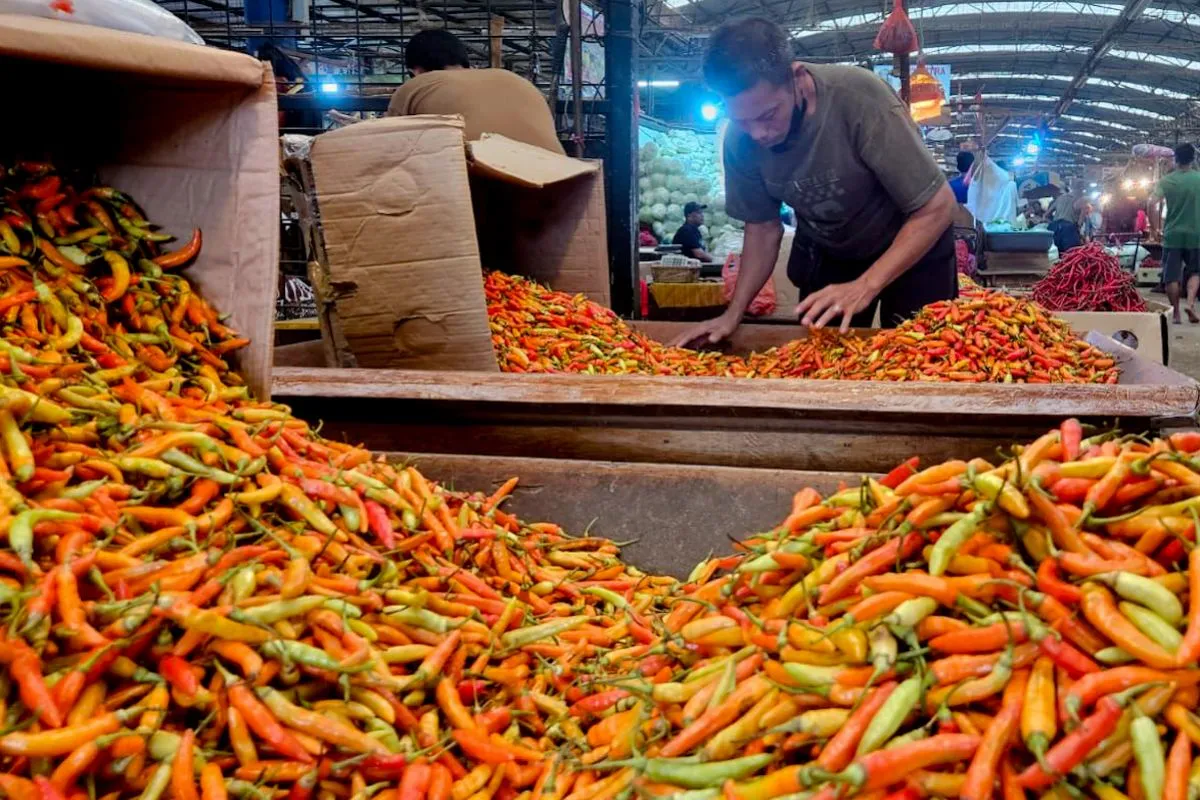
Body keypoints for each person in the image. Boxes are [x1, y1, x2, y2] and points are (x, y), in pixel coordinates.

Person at [671, 17, 956, 344]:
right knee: (824, 355)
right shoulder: (740, 140)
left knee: (922, 351)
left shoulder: (859, 99)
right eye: (742, 120)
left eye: (767, 115)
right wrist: (732, 314)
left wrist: (866, 285)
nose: (758, 133)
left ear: (797, 77)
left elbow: (937, 206)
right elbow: (763, 229)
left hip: (912, 238)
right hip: (832, 248)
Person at [387, 30, 564, 154]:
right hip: (566, 182)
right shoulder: (513, 78)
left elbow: (388, 147)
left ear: (415, 70)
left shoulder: (416, 85)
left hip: (486, 189)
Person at [1153, 143, 1200, 323]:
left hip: (1172, 234)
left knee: (1171, 276)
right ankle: (1190, 304)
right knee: (1195, 272)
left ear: (1175, 159)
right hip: (1196, 234)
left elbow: (1152, 202)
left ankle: (1177, 314)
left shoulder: (1166, 181)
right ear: (1193, 159)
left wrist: (1154, 226)